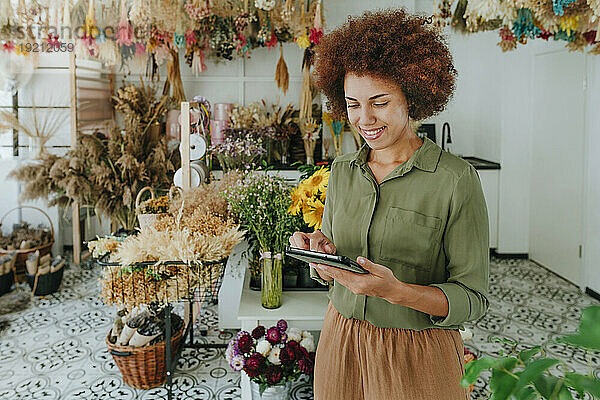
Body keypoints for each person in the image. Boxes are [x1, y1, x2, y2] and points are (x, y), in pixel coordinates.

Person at [288, 9, 489, 400]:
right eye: (352, 103)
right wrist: (322, 256)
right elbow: (333, 271)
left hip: (417, 353)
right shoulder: (344, 170)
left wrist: (397, 292)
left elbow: (473, 298)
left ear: (412, 97)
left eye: (379, 102)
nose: (364, 119)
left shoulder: (455, 180)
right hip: (340, 342)